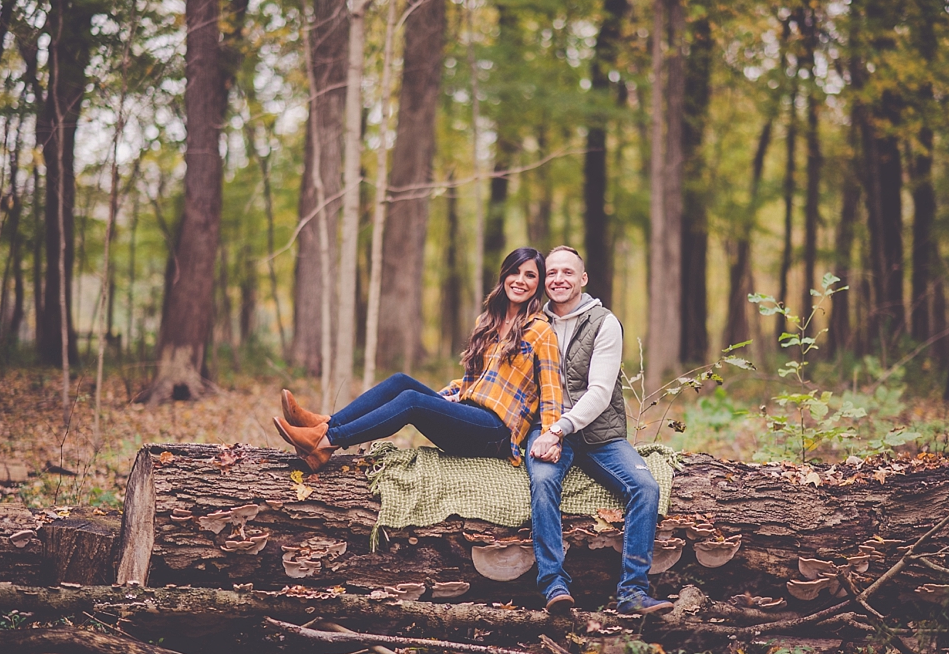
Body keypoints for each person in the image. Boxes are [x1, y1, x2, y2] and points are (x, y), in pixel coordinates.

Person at [273, 247, 564, 472]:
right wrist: (442, 400)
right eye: (516, 272)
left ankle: (324, 441)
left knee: (412, 400)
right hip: (468, 414)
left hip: (495, 432)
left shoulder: (539, 331)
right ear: (504, 275)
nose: (521, 281)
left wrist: (553, 438)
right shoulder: (486, 321)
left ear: (538, 286)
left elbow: (552, 393)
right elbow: (471, 380)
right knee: (400, 381)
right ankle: (323, 425)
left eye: (530, 276)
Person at [527, 246, 673, 616]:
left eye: (567, 272)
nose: (558, 279)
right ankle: (553, 585)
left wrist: (559, 430)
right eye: (552, 272)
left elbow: (599, 392)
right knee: (543, 483)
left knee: (646, 487)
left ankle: (633, 593)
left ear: (583, 279)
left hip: (597, 433)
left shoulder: (604, 322)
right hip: (546, 427)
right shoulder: (532, 323)